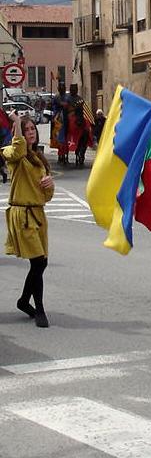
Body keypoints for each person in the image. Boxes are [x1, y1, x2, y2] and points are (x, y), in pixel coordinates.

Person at [2, 112, 55, 328]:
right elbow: (16, 150)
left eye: (32, 129)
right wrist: (16, 124)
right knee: (39, 262)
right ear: (19, 134)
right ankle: (39, 308)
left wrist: (50, 186)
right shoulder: (14, 155)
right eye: (26, 130)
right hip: (22, 214)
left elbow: (45, 196)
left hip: (38, 214)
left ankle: (24, 300)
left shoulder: (39, 159)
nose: (31, 133)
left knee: (41, 263)